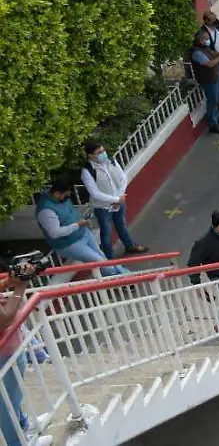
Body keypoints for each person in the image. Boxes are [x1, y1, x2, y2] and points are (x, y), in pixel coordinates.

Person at [0, 271, 53, 446]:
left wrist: (8, 282)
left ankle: (22, 424)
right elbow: (4, 319)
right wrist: (20, 288)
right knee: (7, 401)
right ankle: (17, 442)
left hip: (9, 350)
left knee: (13, 393)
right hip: (3, 353)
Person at [36, 179, 126, 276]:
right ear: (57, 193)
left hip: (83, 232)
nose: (68, 198)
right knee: (98, 261)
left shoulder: (60, 199)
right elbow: (55, 233)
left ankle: (122, 275)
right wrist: (77, 225)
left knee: (102, 256)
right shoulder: (46, 211)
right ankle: (119, 280)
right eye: (66, 195)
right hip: (69, 244)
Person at [80, 142, 148, 259]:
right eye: (99, 153)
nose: (103, 154)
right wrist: (116, 199)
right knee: (106, 233)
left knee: (121, 224)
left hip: (119, 203)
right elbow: (95, 193)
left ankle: (129, 245)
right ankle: (109, 257)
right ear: (91, 156)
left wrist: (119, 197)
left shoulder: (111, 161)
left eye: (103, 151)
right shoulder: (87, 171)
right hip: (103, 208)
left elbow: (123, 178)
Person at [191, 30, 219, 134]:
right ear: (200, 40)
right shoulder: (197, 53)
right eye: (206, 39)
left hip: (214, 78)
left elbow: (214, 54)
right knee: (212, 101)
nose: (208, 41)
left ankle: (216, 117)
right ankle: (212, 124)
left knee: (216, 99)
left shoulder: (205, 48)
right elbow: (209, 64)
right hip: (208, 80)